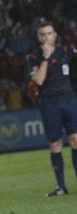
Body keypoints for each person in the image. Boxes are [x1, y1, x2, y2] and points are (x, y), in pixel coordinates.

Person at [27, 20, 77, 198]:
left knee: (75, 140)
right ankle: (61, 187)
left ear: (55, 35)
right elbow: (39, 81)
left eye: (49, 33)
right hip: (49, 103)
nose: (46, 37)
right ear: (38, 37)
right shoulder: (34, 57)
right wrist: (46, 58)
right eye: (43, 34)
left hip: (69, 99)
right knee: (55, 143)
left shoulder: (66, 52)